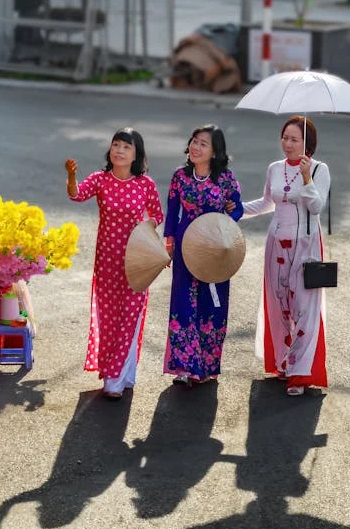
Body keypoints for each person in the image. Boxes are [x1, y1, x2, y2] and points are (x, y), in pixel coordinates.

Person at [65, 128, 165, 399]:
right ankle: (121, 372)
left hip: (136, 260)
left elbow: (157, 215)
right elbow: (76, 195)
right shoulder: (100, 180)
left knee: (130, 316)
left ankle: (115, 378)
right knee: (109, 317)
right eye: (116, 145)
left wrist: (144, 231)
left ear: (136, 154)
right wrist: (72, 176)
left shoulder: (145, 185)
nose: (119, 150)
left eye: (126, 147)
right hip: (107, 261)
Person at [242, 115, 330, 396]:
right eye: (285, 138)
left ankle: (300, 373)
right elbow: (268, 203)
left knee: (304, 307)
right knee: (279, 304)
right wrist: (235, 209)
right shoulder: (274, 169)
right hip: (276, 243)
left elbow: (316, 207)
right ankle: (283, 363)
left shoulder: (319, 169)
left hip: (306, 245)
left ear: (307, 144)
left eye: (294, 139)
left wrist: (306, 177)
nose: (288, 143)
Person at [163, 124, 243, 387]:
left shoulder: (226, 178)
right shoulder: (180, 176)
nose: (196, 147)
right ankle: (185, 368)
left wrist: (229, 213)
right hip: (186, 247)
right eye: (194, 141)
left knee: (212, 306)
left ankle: (207, 366)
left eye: (203, 144)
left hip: (216, 248)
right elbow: (172, 210)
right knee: (183, 305)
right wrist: (169, 241)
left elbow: (238, 210)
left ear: (215, 151)